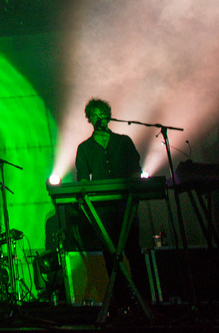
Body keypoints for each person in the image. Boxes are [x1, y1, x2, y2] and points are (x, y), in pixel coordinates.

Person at [74, 98, 148, 311]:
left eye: (102, 113)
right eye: (94, 115)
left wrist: (136, 192)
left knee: (134, 252)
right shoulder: (84, 148)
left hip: (126, 205)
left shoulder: (124, 142)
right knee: (111, 256)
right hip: (102, 211)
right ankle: (122, 302)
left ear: (108, 115)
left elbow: (136, 169)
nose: (99, 118)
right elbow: (82, 180)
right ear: (90, 119)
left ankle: (145, 299)